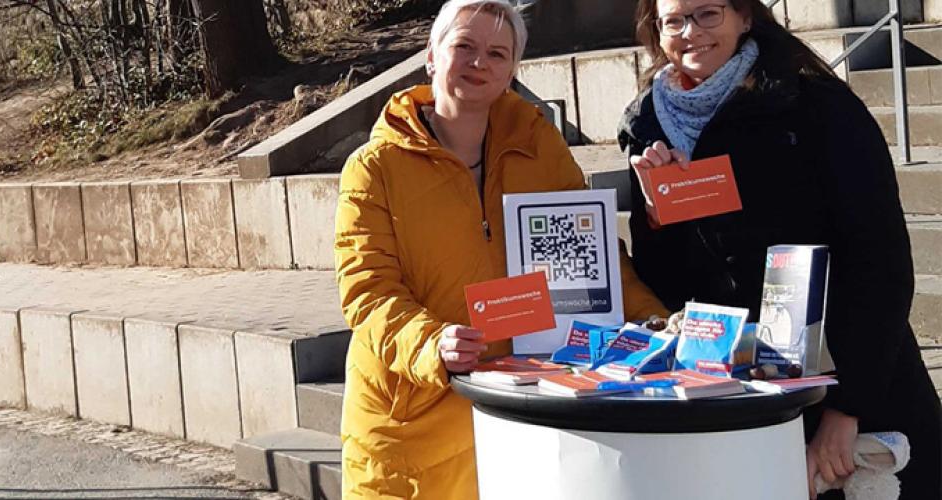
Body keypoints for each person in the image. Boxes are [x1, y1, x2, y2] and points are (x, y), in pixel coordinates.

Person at [334, 0, 670, 497]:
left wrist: (654, 321)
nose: (479, 64)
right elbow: (368, 291)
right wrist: (432, 344)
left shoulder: (543, 149)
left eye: (497, 53)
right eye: (463, 47)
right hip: (412, 425)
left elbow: (590, 258)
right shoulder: (374, 167)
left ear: (513, 69)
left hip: (519, 414)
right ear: (431, 55)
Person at [618, 1, 942, 498]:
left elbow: (880, 263)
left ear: (745, 17)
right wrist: (661, 221)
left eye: (707, 14)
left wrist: (846, 408)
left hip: (851, 385)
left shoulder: (815, 105)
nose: (690, 33)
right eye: (674, 21)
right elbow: (671, 287)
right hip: (736, 398)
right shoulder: (647, 127)